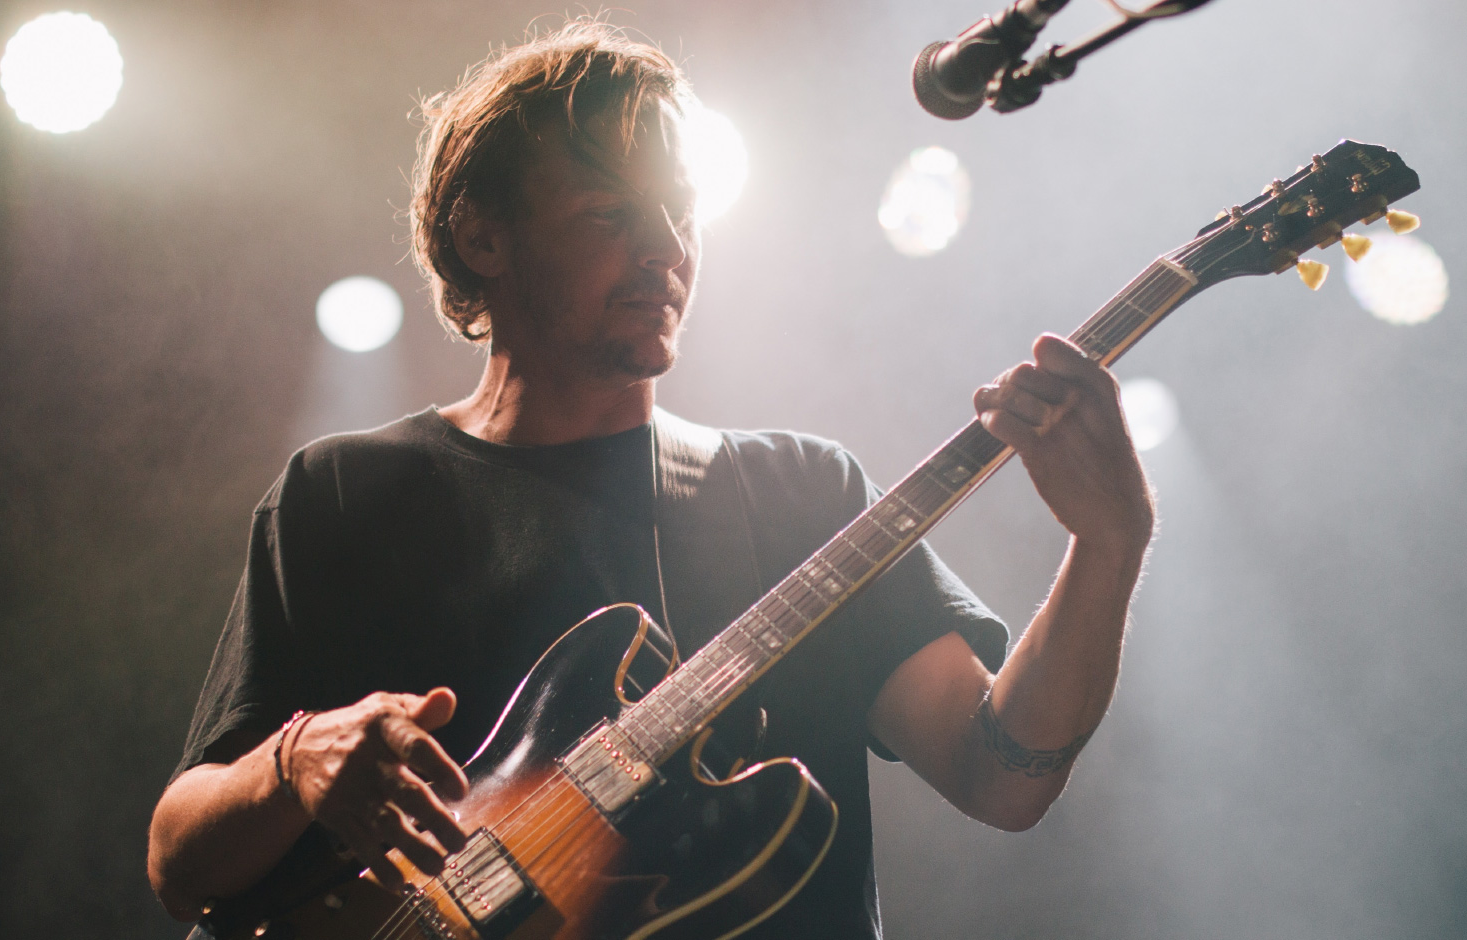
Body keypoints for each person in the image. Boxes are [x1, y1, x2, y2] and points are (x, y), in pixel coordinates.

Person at [147, 20, 1154, 940]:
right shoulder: (344, 494)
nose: (667, 249)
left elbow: (1002, 778)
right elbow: (180, 861)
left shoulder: (799, 493)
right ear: (482, 234)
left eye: (680, 213)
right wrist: (293, 762)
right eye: (611, 212)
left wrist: (1108, 547)